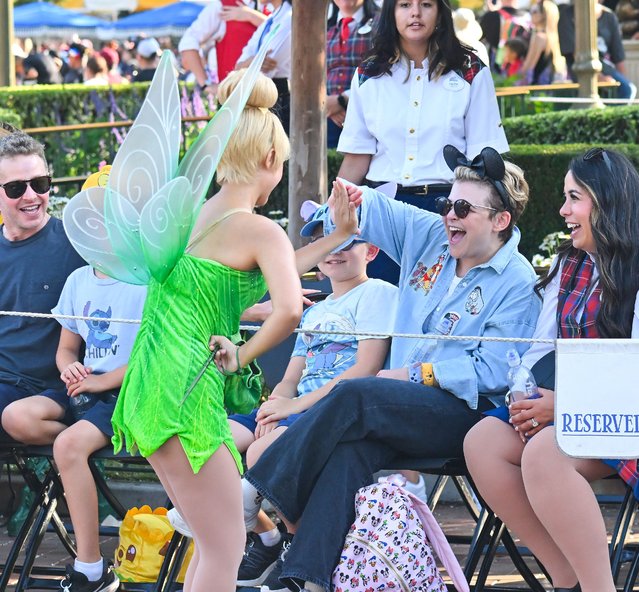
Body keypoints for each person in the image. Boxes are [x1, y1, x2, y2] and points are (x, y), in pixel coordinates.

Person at [101, 67, 360, 592]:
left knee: (209, 539)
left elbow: (280, 261)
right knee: (225, 547)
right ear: (269, 159)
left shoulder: (195, 216)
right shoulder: (258, 229)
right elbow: (288, 308)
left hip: (152, 387)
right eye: (281, 166)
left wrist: (341, 235)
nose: (279, 176)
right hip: (188, 392)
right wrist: (242, 357)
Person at [244, 145, 541, 592]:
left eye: (463, 207)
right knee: (347, 453)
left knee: (356, 393)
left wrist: (414, 375)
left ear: (501, 220)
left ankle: (251, 493)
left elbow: (495, 369)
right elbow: (373, 206)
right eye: (447, 204)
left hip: (464, 416)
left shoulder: (517, 280)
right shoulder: (432, 235)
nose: (449, 215)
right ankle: (304, 579)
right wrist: (346, 196)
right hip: (393, 408)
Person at [464, 147, 639, 592]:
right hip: (573, 415)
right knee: (483, 442)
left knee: (545, 453)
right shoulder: (569, 264)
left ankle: (600, 587)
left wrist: (564, 407)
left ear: (607, 201)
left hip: (625, 418)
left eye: (574, 197)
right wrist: (523, 398)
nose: (563, 210)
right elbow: (537, 350)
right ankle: (566, 580)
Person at [228, 199, 397, 590]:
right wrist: (274, 405)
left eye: (345, 242)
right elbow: (292, 375)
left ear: (370, 251)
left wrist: (292, 406)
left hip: (330, 411)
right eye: (324, 242)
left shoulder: (377, 294)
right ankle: (266, 535)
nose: (333, 251)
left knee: (259, 452)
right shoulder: (315, 311)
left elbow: (365, 370)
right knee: (212, 440)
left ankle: (293, 545)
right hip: (295, 406)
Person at [337, 0, 509, 284]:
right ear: (391, 13)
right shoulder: (368, 74)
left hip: (448, 210)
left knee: (441, 312)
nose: (415, 13)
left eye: (426, 4)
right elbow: (357, 157)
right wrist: (331, 220)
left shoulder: (470, 70)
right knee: (383, 309)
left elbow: (484, 160)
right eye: (404, 4)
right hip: (382, 208)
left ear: (440, 12)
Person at [3, 260, 147, 592]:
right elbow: (66, 349)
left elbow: (155, 352)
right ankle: (78, 447)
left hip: (127, 394)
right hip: (84, 389)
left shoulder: (148, 277)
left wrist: (105, 381)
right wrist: (70, 369)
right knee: (16, 417)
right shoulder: (79, 279)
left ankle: (93, 571)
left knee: (67, 445)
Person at [0, 131, 85, 443]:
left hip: (50, 392)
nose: (31, 195)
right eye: (15, 188)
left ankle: (84, 444)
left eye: (39, 184)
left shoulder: (77, 246)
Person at [178, 0, 268, 93]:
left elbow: (282, 32)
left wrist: (251, 16)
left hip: (272, 95)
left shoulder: (274, 6)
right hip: (233, 97)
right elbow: (188, 42)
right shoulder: (222, 6)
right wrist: (205, 84)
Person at [325, 0, 380, 148]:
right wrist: (327, 104)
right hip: (329, 118)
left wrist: (343, 100)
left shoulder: (381, 23)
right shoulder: (325, 27)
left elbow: (382, 68)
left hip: (368, 113)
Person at [558, 0, 637, 100]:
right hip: (579, 71)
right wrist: (599, 78)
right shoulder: (568, 15)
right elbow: (576, 54)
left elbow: (618, 56)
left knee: (627, 89)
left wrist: (622, 80)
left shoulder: (609, 16)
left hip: (605, 68)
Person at [236, 0, 293, 133]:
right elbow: (239, 65)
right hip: (261, 98)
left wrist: (251, 61)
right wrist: (254, 61)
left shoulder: (290, 17)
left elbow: (270, 60)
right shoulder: (271, 19)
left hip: (279, 99)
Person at [517, 0, 567, 85]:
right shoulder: (553, 38)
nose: (531, 14)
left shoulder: (539, 37)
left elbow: (528, 67)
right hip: (547, 86)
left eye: (534, 11)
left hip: (536, 87)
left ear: (544, 15)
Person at [480, 0, 531, 73]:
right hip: (521, 68)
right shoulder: (529, 17)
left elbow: (479, 37)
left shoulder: (491, 16)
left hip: (496, 66)